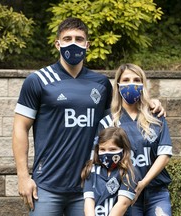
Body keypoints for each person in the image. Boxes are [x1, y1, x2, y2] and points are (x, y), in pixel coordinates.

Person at [12, 17, 165, 216]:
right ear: (57, 44)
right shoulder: (38, 80)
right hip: (47, 186)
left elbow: (118, 118)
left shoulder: (100, 83)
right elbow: (19, 128)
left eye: (79, 38)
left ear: (87, 45)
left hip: (88, 187)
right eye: (67, 39)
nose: (73, 43)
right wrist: (23, 177)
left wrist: (148, 103)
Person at [97, 63, 173, 216]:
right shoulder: (108, 122)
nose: (131, 83)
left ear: (143, 85)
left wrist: (143, 183)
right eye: (126, 80)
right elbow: (101, 161)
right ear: (118, 85)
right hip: (125, 193)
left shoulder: (156, 118)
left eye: (136, 80)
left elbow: (164, 155)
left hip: (156, 192)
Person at [81, 127, 137, 216]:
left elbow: (123, 204)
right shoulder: (91, 170)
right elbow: (88, 202)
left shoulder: (128, 172)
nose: (107, 154)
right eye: (102, 149)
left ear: (123, 149)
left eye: (112, 150)